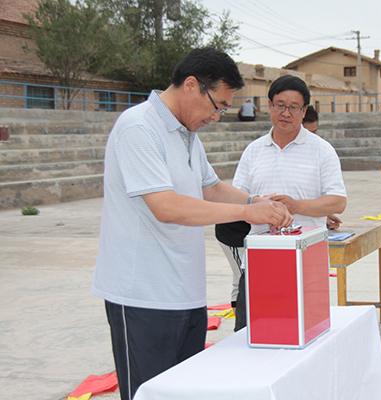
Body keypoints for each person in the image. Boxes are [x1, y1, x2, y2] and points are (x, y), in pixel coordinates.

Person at [91, 47, 292, 400]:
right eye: (218, 105)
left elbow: (210, 187)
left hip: (186, 293)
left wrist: (255, 202)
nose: (217, 116)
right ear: (190, 85)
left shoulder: (186, 133)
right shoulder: (139, 127)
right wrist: (246, 214)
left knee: (183, 392)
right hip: (143, 296)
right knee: (148, 393)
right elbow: (166, 207)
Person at [232, 74, 347, 331]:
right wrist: (257, 207)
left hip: (307, 262)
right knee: (251, 334)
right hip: (259, 261)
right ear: (269, 106)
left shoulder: (322, 150)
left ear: (304, 111)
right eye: (280, 105)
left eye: (294, 107)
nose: (286, 113)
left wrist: (296, 207)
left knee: (303, 334)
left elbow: (338, 202)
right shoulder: (253, 151)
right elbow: (237, 197)